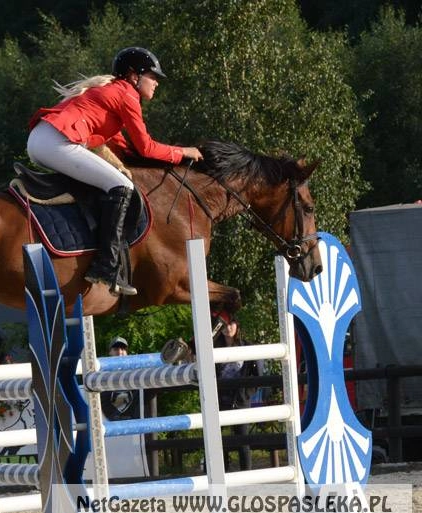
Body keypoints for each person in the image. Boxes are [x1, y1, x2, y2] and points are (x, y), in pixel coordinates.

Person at [26, 47, 203, 297]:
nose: (156, 83)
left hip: (45, 139)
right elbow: (146, 147)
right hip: (56, 141)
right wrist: (182, 152)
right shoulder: (126, 95)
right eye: (152, 76)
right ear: (134, 76)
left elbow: (123, 148)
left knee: (108, 182)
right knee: (122, 187)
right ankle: (105, 267)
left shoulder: (114, 95)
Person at [211, 310, 264, 471]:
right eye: (225, 325)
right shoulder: (213, 347)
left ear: (237, 325)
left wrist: (246, 393)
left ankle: (246, 474)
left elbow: (258, 375)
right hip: (219, 398)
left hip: (239, 399)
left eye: (231, 323)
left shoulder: (246, 346)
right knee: (216, 439)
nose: (228, 327)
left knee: (242, 440)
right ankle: (218, 471)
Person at [100, 336, 141, 420]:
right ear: (110, 352)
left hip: (134, 425)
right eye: (115, 349)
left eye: (123, 349)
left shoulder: (135, 371)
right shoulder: (101, 373)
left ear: (127, 352)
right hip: (108, 424)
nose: (120, 352)